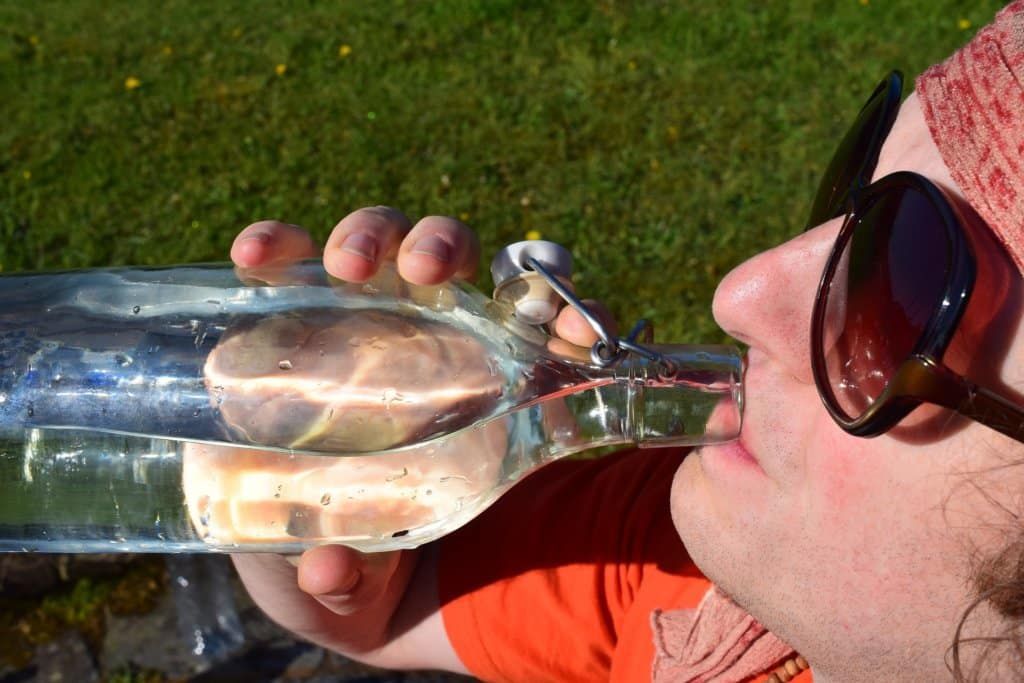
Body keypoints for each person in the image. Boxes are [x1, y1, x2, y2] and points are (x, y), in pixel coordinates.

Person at [228, 3, 1024, 680]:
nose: (738, 295)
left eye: (902, 292)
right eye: (852, 202)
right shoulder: (692, 576)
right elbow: (385, 611)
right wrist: (296, 499)